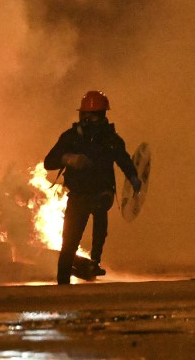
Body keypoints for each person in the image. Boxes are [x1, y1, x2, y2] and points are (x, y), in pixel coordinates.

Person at [44, 90, 142, 284]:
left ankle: (95, 261)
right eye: (92, 115)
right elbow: (49, 161)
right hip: (78, 196)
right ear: (83, 115)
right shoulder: (71, 138)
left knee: (100, 220)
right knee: (69, 242)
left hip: (101, 194)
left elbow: (124, 160)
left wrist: (133, 177)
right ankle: (63, 283)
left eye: (99, 115)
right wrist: (69, 158)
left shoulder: (111, 139)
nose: (95, 120)